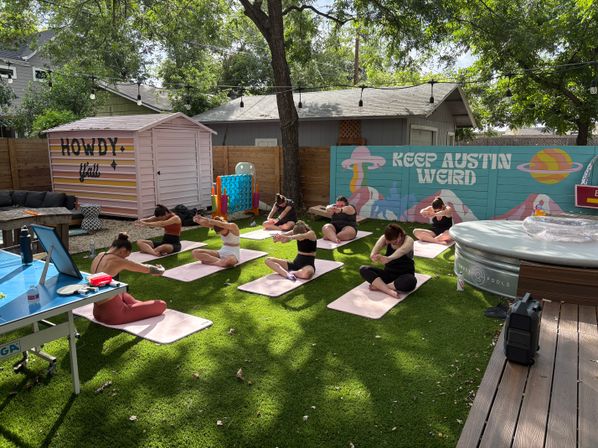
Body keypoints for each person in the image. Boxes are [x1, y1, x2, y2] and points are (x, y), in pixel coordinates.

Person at [90, 233, 167, 325]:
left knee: (125, 295)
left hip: (97, 312)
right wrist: (161, 270)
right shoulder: (118, 261)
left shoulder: (100, 255)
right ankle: (138, 308)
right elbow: (147, 269)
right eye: (125, 256)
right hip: (113, 316)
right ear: (122, 250)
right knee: (161, 305)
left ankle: (138, 307)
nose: (125, 259)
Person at [359, 223, 417, 298]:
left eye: (395, 241)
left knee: (411, 281)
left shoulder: (409, 240)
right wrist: (374, 256)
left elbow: (402, 251)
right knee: (363, 269)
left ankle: (380, 286)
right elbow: (374, 251)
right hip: (388, 274)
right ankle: (387, 290)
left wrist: (389, 258)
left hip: (404, 275)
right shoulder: (385, 238)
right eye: (390, 242)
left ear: (400, 235)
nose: (393, 243)